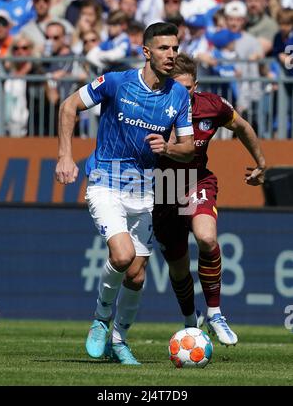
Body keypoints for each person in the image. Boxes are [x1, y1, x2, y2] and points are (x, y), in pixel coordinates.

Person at [55, 23, 195, 365]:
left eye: (175, 48)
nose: (171, 55)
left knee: (136, 273)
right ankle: (101, 320)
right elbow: (68, 106)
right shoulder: (116, 82)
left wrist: (170, 148)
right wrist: (65, 154)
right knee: (121, 256)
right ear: (146, 51)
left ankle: (119, 340)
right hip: (105, 180)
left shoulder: (178, 94)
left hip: (146, 189)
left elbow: (189, 148)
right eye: (163, 48)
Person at [153, 53, 266, 346]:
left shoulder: (211, 106)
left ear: (196, 85)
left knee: (206, 237)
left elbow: (241, 126)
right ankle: (191, 322)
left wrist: (260, 163)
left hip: (196, 181)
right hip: (165, 187)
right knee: (178, 268)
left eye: (188, 88)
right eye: (177, 87)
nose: (183, 93)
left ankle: (215, 313)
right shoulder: (155, 107)